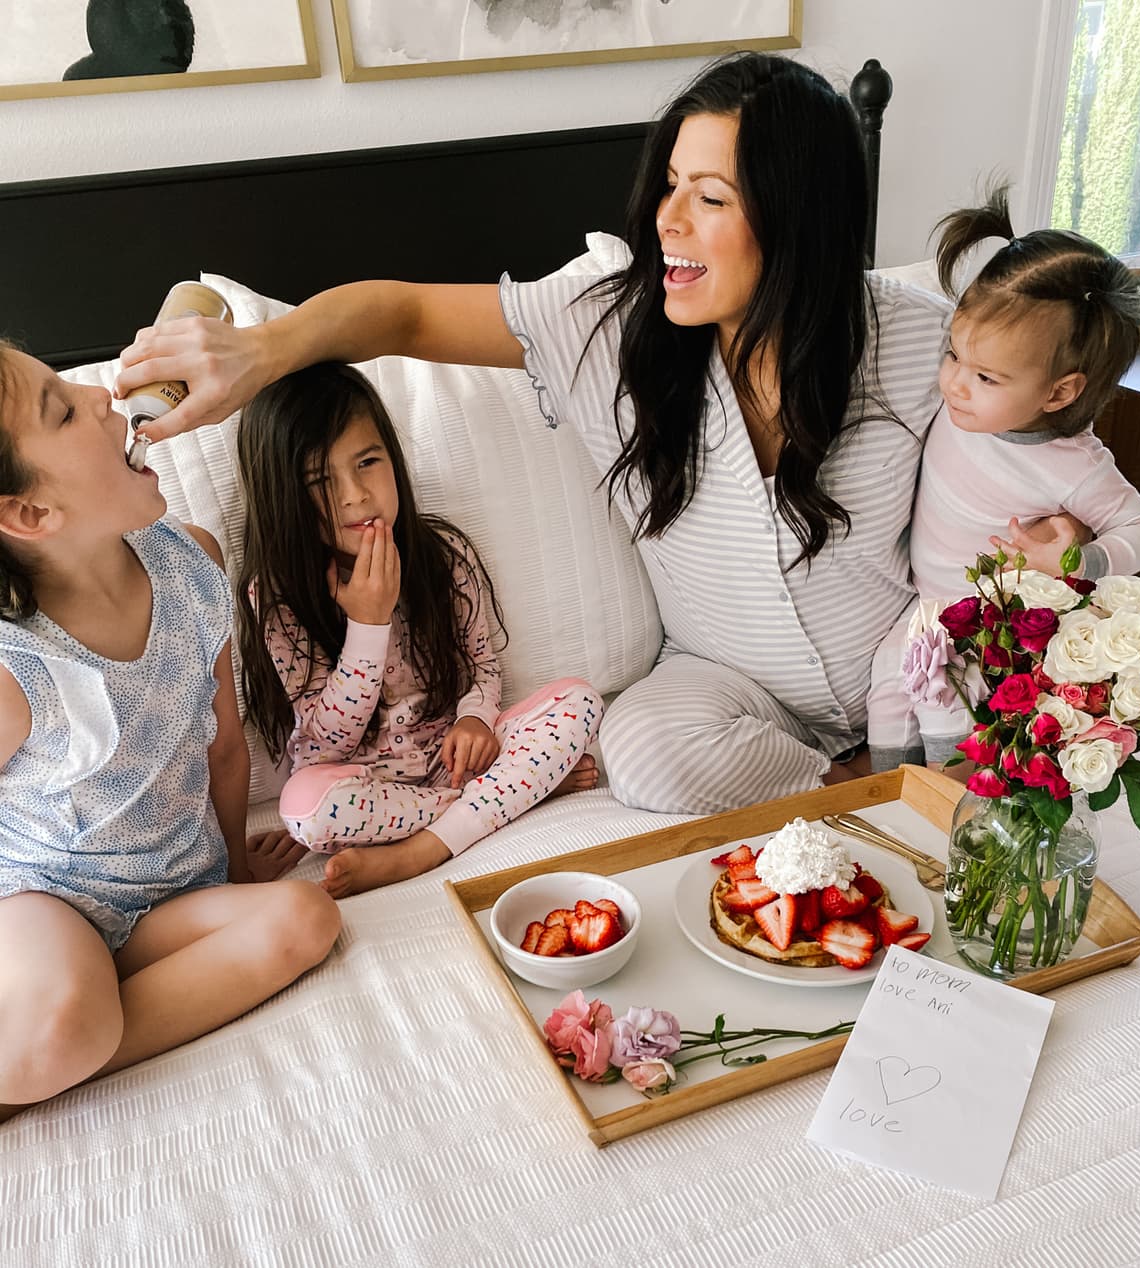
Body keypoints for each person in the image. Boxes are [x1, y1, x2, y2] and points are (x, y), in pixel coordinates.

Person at [118, 52, 1006, 816]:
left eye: (708, 198)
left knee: (1015, 718)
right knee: (644, 752)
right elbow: (402, 314)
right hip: (730, 692)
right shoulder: (609, 330)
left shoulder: (923, 342)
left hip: (909, 663)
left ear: (799, 221)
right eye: (667, 188)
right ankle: (850, 786)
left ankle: (908, 773)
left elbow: (1028, 464)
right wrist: (260, 352)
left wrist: (1059, 542)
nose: (667, 221)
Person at [0, 343, 341, 1123]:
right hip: (46, 900)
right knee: (61, 1015)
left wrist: (230, 873)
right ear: (29, 514)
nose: (99, 396)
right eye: (61, 407)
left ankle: (64, 1056)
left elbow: (223, 744)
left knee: (306, 918)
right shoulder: (15, 665)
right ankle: (59, 1040)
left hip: (170, 896)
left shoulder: (192, 565)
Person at [236, 362, 603, 898]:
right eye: (320, 482)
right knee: (304, 810)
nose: (355, 495)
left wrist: (476, 718)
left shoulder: (442, 557)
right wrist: (368, 623)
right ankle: (508, 798)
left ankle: (422, 850)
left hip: (458, 761)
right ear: (282, 496)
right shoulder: (277, 597)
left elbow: (481, 663)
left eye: (367, 462)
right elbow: (328, 739)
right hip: (364, 787)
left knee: (580, 700)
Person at [866, 187, 1140, 770]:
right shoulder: (955, 405)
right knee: (886, 691)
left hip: (986, 624)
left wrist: (1078, 561)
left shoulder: (1075, 465)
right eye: (953, 355)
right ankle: (884, 792)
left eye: (985, 376)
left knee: (946, 709)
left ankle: (949, 796)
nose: (954, 383)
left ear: (1058, 392)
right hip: (925, 602)